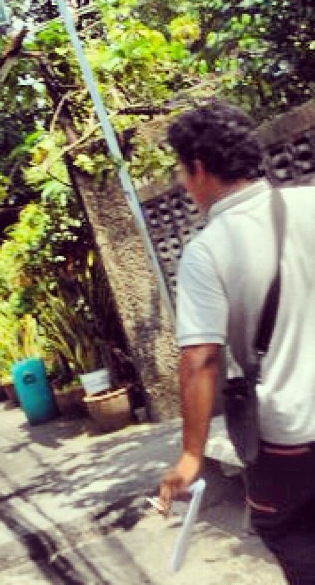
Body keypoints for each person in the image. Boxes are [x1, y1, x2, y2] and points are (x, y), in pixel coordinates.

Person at [157, 101, 315, 583]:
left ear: (199, 168)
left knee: (294, 537)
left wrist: (190, 454)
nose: (185, 185)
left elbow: (201, 359)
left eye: (183, 171)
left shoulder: (207, 252)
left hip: (290, 437)